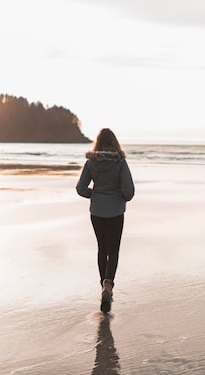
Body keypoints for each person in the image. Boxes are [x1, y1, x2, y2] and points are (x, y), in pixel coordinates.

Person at [76, 128, 135, 313]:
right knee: (113, 251)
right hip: (116, 211)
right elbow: (129, 191)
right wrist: (120, 197)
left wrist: (94, 194)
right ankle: (108, 286)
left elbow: (80, 188)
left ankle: (103, 286)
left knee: (102, 249)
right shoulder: (120, 162)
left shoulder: (91, 163)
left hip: (97, 211)